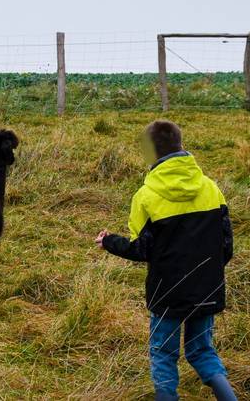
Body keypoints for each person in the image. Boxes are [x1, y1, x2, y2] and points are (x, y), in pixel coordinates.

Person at [95, 120, 236, 401]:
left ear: (150, 152)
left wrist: (109, 241)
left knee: (163, 354)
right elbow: (226, 247)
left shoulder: (145, 196)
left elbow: (140, 249)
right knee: (202, 351)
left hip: (166, 292)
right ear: (182, 145)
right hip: (206, 288)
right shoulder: (211, 188)